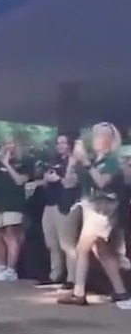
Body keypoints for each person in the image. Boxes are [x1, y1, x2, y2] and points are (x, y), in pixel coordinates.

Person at [59, 123, 131, 307]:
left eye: (103, 135)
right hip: (90, 209)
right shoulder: (90, 159)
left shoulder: (112, 160)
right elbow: (68, 183)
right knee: (102, 251)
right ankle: (121, 292)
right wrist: (73, 163)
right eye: (96, 134)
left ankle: (79, 293)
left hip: (103, 210)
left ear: (111, 140)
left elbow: (102, 182)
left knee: (82, 248)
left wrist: (85, 162)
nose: (98, 138)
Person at [0, 137, 33, 281]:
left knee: (11, 235)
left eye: (11, 143)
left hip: (13, 203)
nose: (8, 146)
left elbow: (20, 180)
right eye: (5, 144)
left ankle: (12, 269)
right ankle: (2, 266)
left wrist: (7, 164)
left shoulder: (24, 162)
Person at [39, 134, 79, 287]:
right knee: (52, 243)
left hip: (66, 205)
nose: (60, 145)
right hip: (49, 204)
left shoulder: (74, 162)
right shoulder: (53, 162)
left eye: (63, 142)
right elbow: (44, 181)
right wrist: (47, 178)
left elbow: (71, 183)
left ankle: (72, 278)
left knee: (67, 244)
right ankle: (55, 275)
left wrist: (58, 179)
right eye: (58, 142)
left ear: (70, 145)